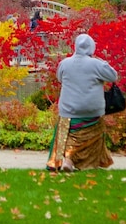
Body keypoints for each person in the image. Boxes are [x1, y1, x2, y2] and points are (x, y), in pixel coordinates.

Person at [46, 34, 118, 172]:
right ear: (92, 47)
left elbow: (59, 78)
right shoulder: (97, 64)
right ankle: (77, 161)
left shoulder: (65, 64)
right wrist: (100, 61)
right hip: (92, 111)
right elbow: (113, 76)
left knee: (66, 136)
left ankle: (65, 159)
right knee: (91, 137)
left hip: (69, 110)